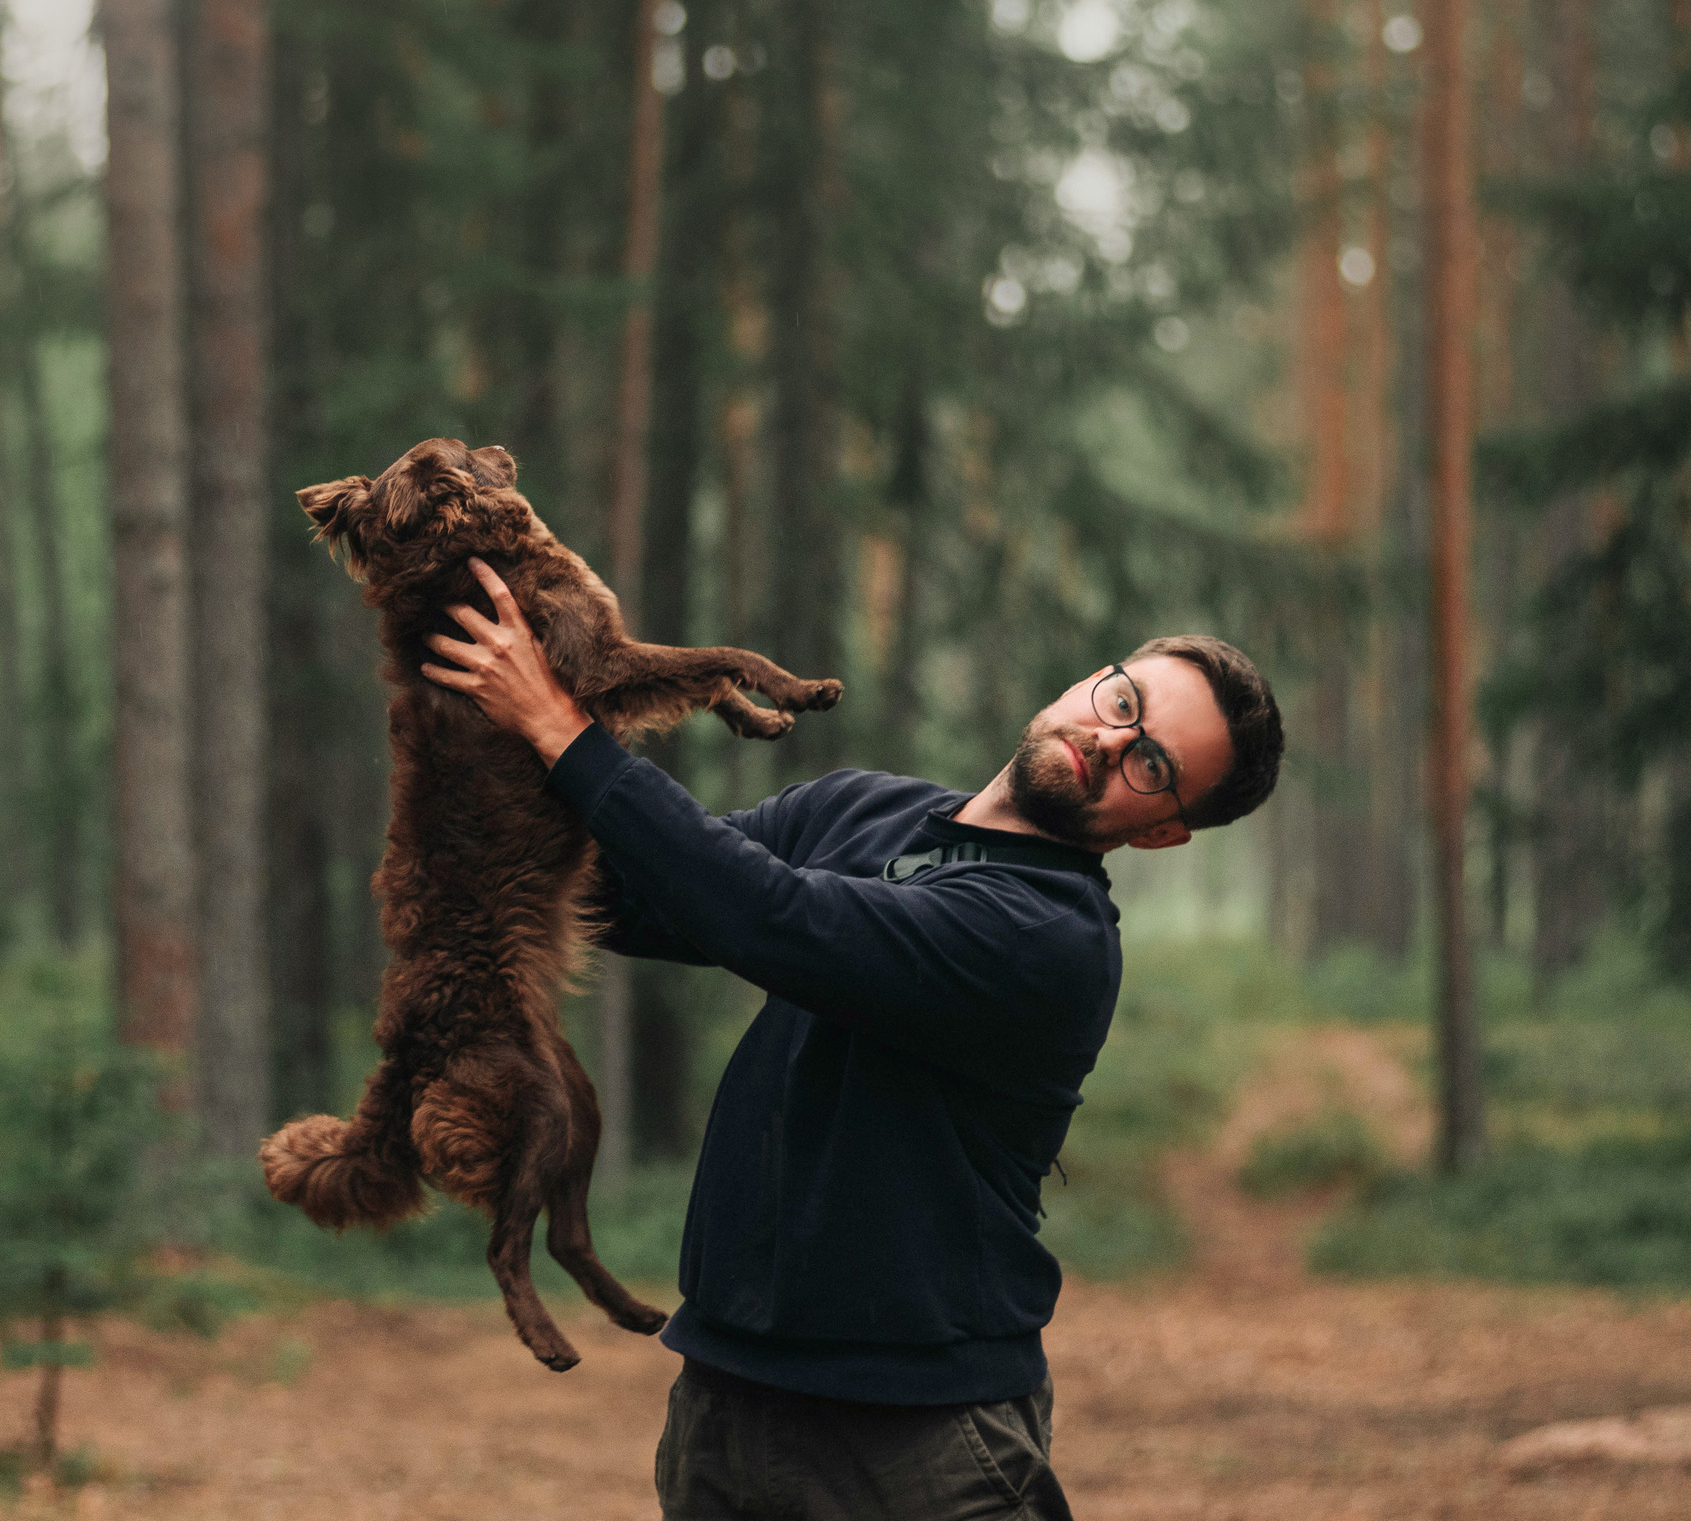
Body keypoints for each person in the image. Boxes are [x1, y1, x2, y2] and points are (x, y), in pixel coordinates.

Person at [421, 556, 1285, 1521]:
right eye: (1122, 699)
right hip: (725, 1401)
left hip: (922, 1441)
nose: (1107, 739)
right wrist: (474, 736)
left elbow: (773, 918)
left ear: (1162, 833)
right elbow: (637, 896)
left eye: (1152, 763)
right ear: (1091, 677)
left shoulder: (1049, 937)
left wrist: (560, 729)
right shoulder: (860, 807)